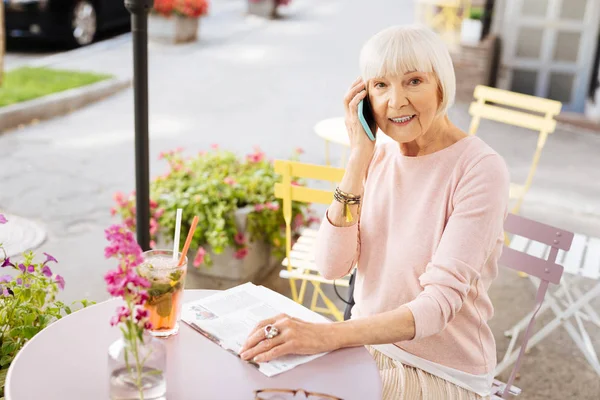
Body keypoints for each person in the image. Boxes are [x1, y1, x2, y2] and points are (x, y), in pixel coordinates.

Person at [240, 24, 509, 400]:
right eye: (381, 85)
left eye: (414, 81)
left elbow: (436, 308)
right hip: (365, 348)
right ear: (364, 97)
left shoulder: (480, 168)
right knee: (254, 384)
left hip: (441, 370)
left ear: (441, 86)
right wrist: (357, 162)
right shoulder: (377, 156)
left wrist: (324, 335)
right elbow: (332, 265)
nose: (396, 101)